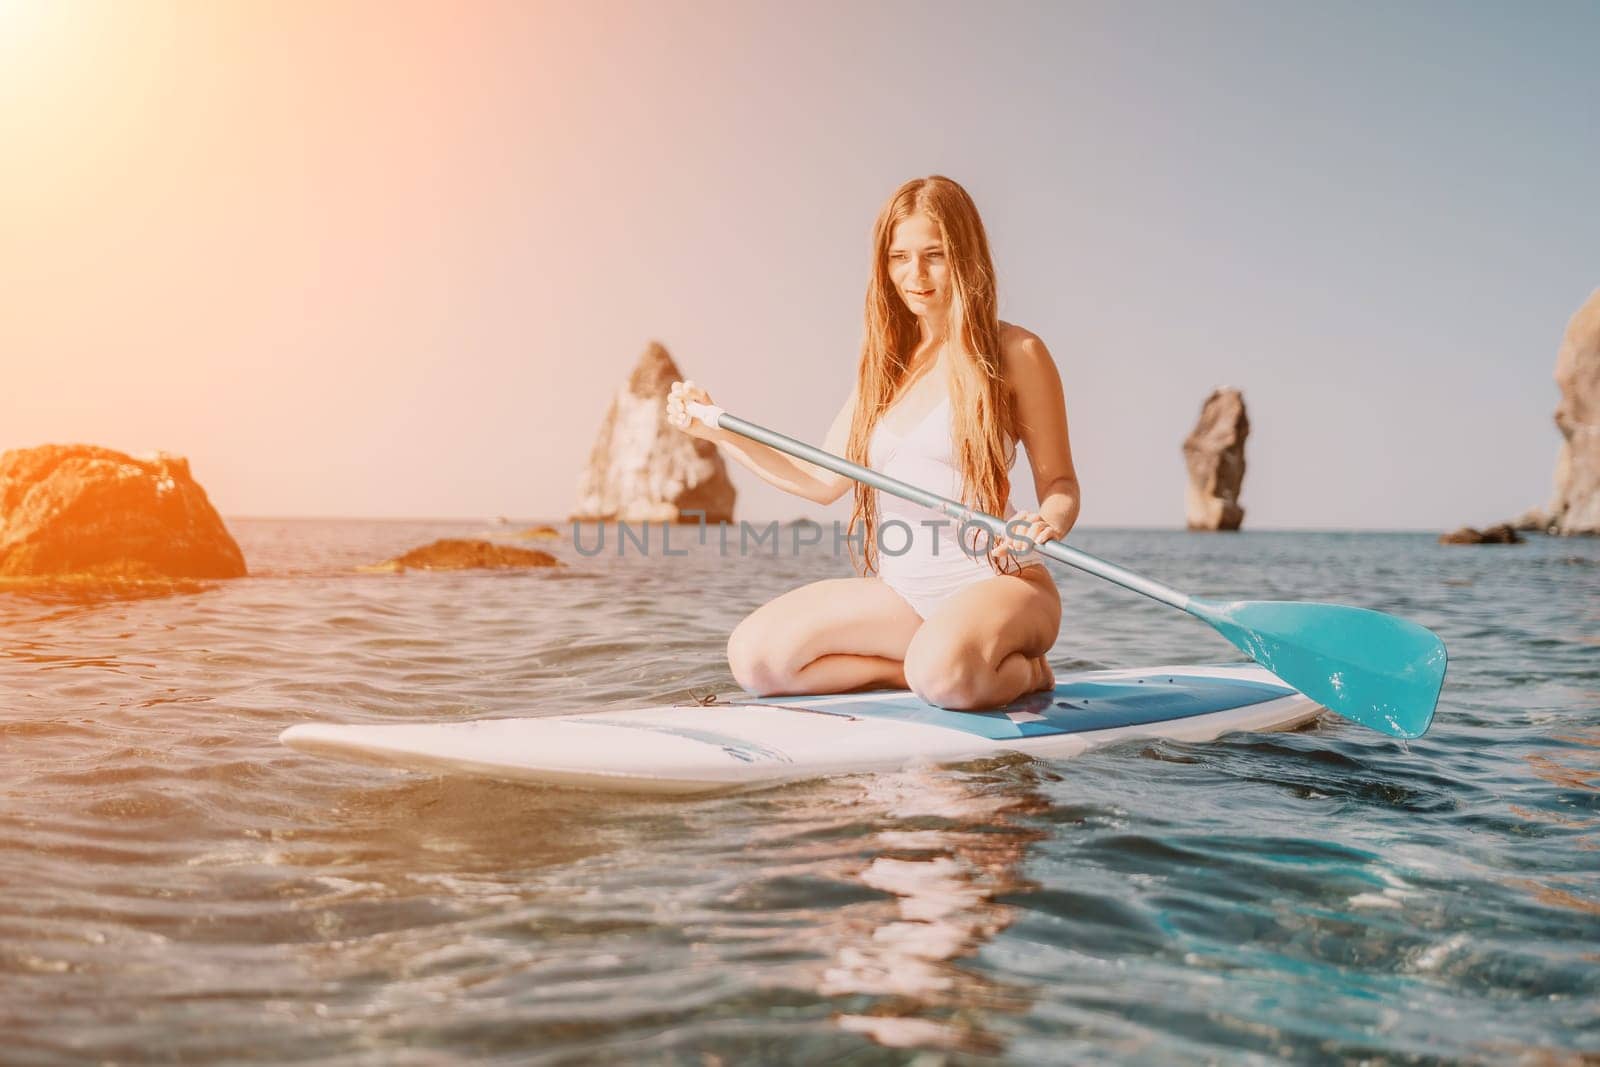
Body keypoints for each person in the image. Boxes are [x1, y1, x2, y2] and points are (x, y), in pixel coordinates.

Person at [666, 175, 1080, 710]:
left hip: (1002, 585)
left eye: (935, 254)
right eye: (899, 257)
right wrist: (715, 432)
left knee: (947, 674)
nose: (916, 275)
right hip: (906, 599)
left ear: (967, 255)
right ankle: (926, 667)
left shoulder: (1017, 352)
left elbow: (1061, 485)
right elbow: (820, 481)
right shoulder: (884, 371)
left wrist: (1047, 520)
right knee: (757, 660)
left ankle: (1024, 671)